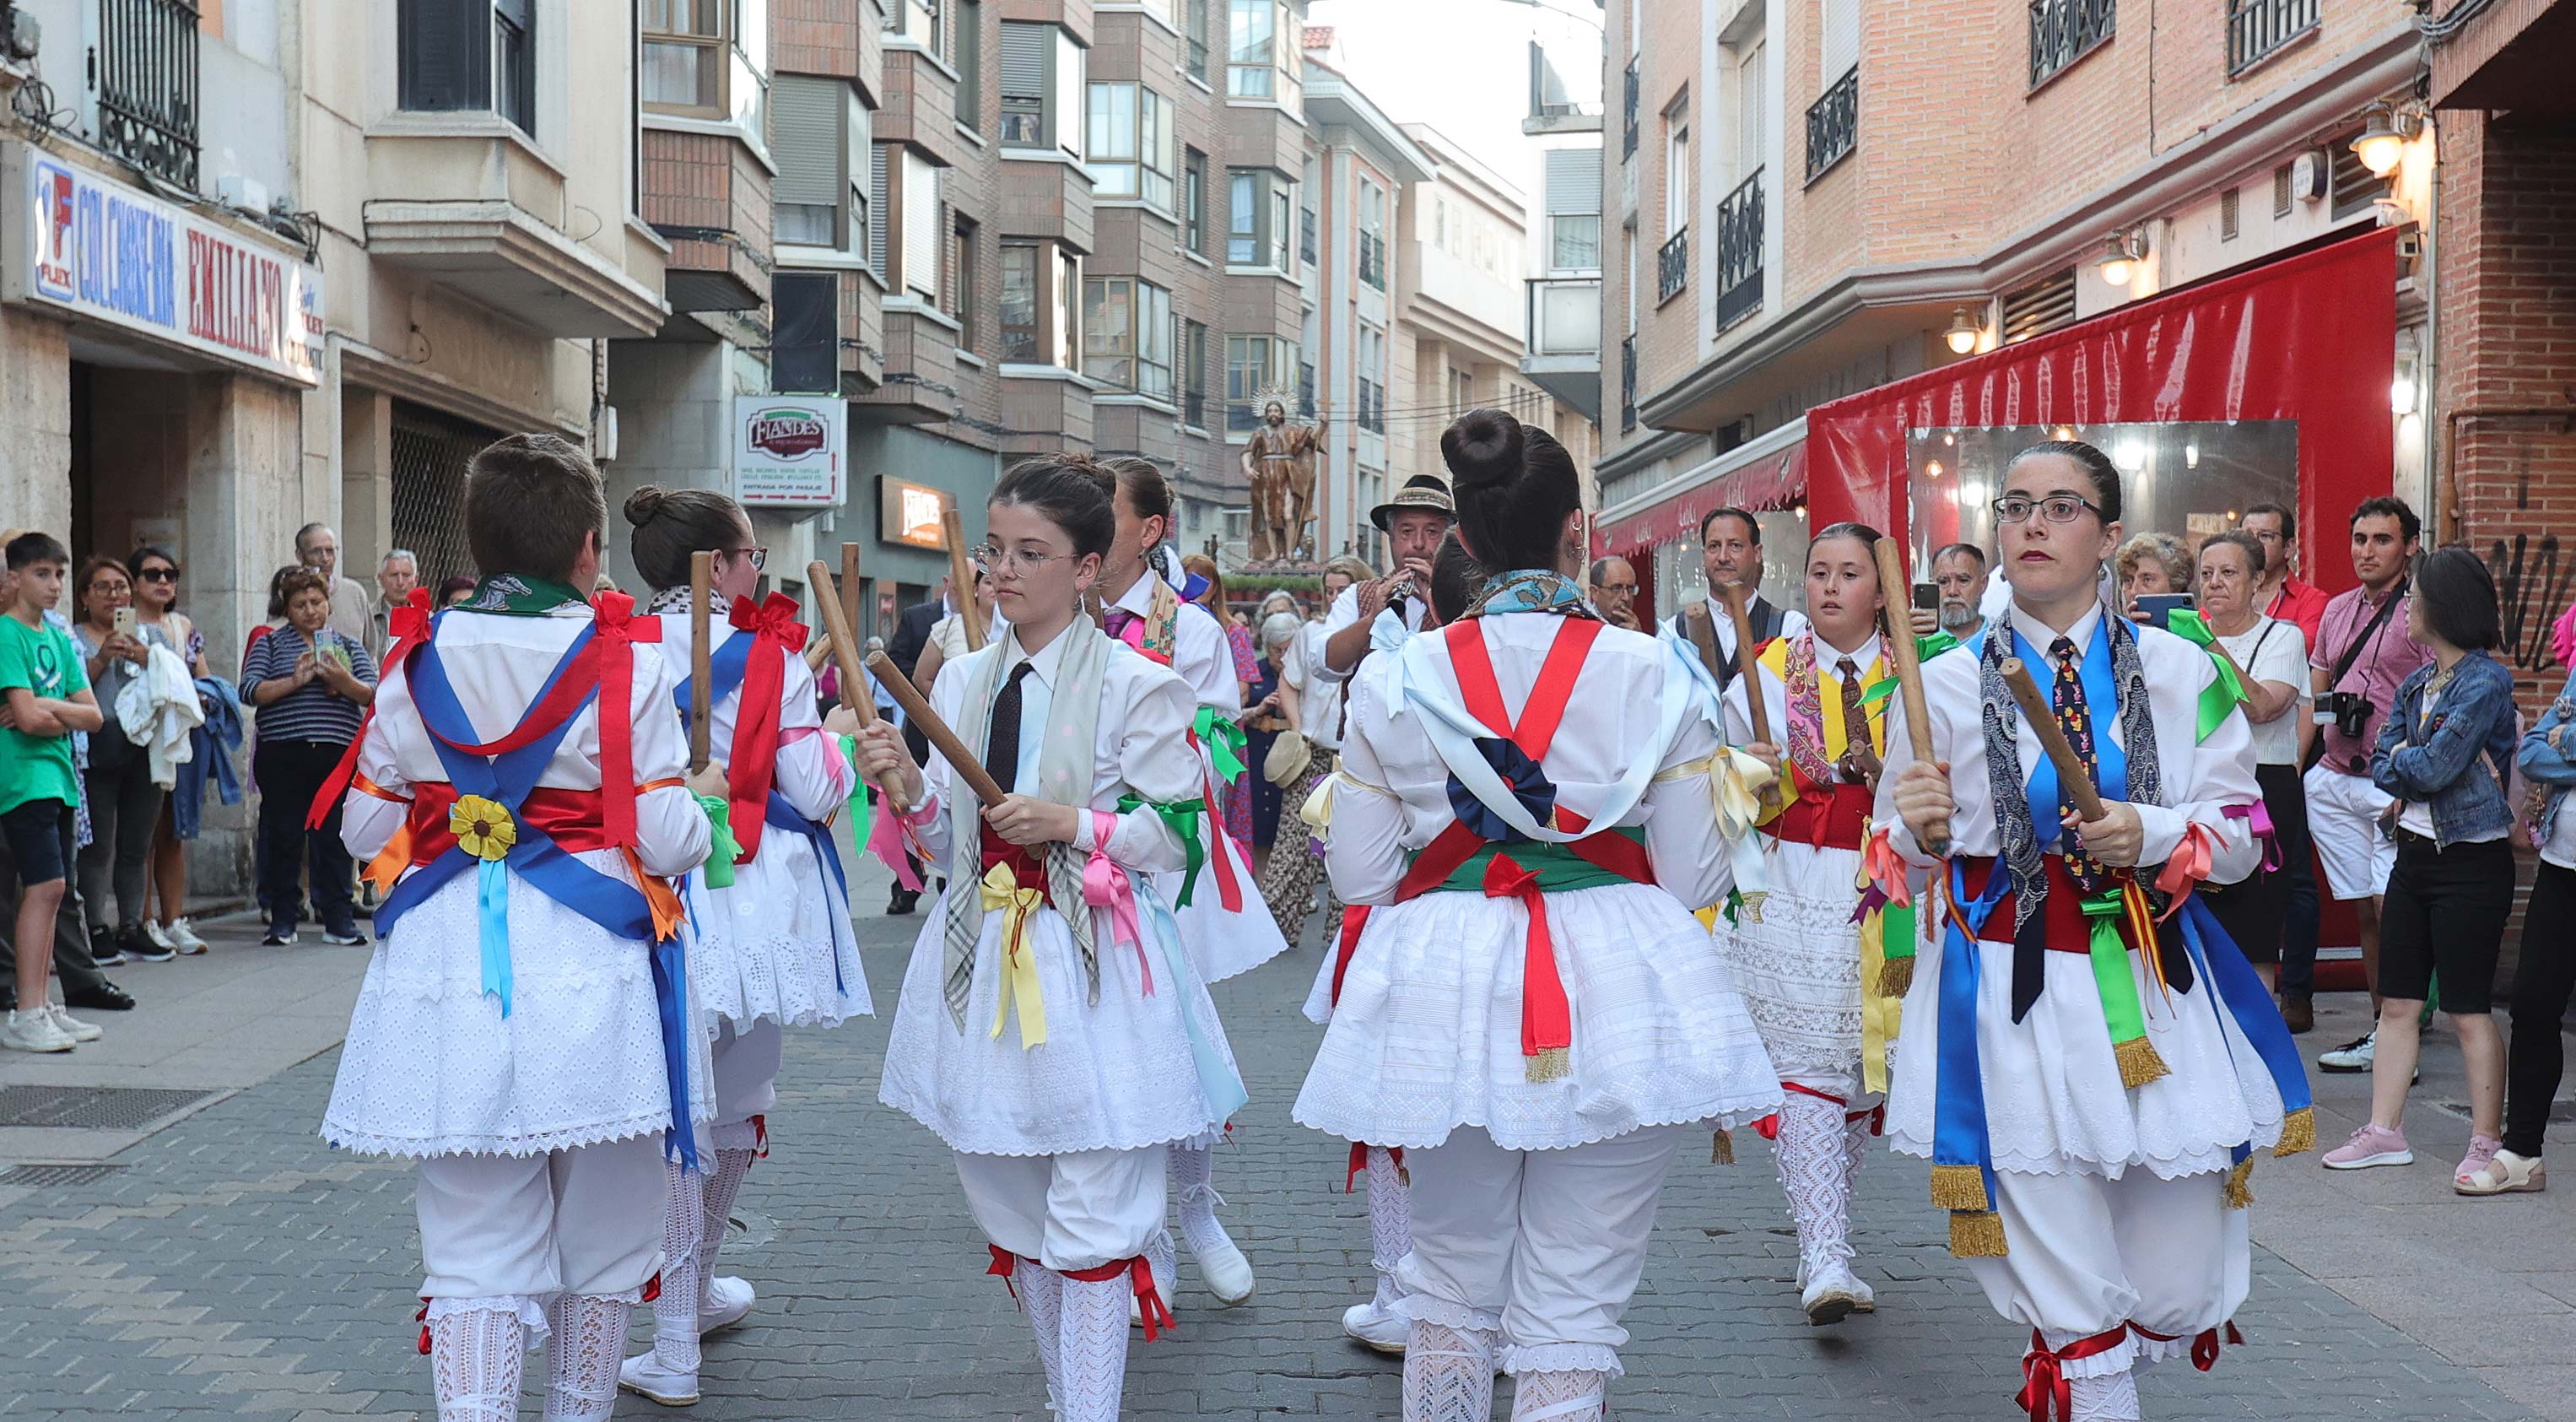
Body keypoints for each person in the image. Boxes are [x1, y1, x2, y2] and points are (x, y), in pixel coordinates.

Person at [1296, 410, 1779, 1419]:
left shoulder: (1394, 675)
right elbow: (1695, 877)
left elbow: (1358, 875)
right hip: (1614, 977)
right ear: (1579, 528)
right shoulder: (1655, 670)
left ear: (1462, 540)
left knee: (1450, 1278)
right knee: (1574, 1300)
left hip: (1443, 978)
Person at [1878, 440, 2306, 1422]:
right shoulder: (1937, 681)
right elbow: (1893, 862)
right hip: (2006, 995)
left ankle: (2082, 1375)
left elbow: (2241, 836)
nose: (2030, 522)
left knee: (2170, 1282)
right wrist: (1911, 824)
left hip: (2154, 987)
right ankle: (2080, 1372)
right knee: (2077, 1308)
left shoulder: (2180, 667)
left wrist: (2149, 831)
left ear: (2107, 535)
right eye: (2013, 504)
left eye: (2060, 506)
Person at [323, 433, 711, 1422]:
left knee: (472, 1245)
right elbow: (667, 839)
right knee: (607, 1234)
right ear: (589, 547)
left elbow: (366, 826)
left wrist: (452, 805)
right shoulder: (622, 659)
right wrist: (700, 807)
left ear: (478, 541)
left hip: (452, 963)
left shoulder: (416, 657)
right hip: (593, 961)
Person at [858, 454, 1244, 1422]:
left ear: (1085, 568)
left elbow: (1172, 835)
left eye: (1031, 552)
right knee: (1013, 1205)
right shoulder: (964, 678)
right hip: (983, 957)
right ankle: (1065, 1393)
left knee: (1096, 1212)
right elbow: (948, 842)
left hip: (1098, 967)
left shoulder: (1136, 682)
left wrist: (1073, 824)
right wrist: (904, 790)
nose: (1002, 570)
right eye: (995, 549)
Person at [618, 486, 869, 1405]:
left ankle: (684, 1313)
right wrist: (842, 741)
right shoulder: (768, 654)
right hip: (749, 891)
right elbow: (809, 781)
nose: (759, 567)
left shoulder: (612, 645)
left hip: (642, 887)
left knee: (676, 1105)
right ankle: (679, 1324)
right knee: (726, 1103)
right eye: (752, 554)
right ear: (719, 566)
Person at [1093, 457, 1283, 1311]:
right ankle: (1146, 1231)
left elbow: (1207, 752)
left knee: (1179, 1034)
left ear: (1148, 530)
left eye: (1104, 511)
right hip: (1080, 859)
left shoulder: (1191, 631)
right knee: (1108, 1044)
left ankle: (1198, 1207)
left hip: (1166, 858)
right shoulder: (1056, 618)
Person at [1715, 522, 1901, 1326]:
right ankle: (1826, 1253)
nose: (1828, 586)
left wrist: (1892, 776)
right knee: (1806, 1064)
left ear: (1879, 589)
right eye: (1818, 572)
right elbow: (1717, 785)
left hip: (1885, 886)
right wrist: (1748, 771)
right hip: (1790, 885)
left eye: (1849, 572)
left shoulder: (1916, 678)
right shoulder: (1762, 671)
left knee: (1861, 1065)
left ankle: (1821, 1234)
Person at [2321, 548, 2520, 1184]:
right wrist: (2413, 755)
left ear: (2441, 607)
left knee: (2466, 1008)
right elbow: (2381, 760)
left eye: (2413, 598)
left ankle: (2486, 1142)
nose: (2405, 607)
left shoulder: (2484, 681)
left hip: (2470, 861)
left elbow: (2431, 766)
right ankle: (2384, 1130)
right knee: (2397, 1005)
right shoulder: (2416, 681)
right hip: (2411, 852)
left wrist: (2412, 756)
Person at [2305, 497, 2432, 1074]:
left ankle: (2401, 1032)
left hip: (2390, 784)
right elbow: (2317, 693)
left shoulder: (2422, 611)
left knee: (2392, 908)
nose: (2366, 550)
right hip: (2333, 779)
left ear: (2408, 545)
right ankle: (2380, 1029)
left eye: (2381, 539)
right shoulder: (2335, 610)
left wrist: (2414, 777)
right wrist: (2294, 770)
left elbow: (2440, 694)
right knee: (2362, 909)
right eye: (2359, 539)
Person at [2190, 533, 2313, 1025]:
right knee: (2201, 923)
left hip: (2266, 787)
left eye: (2228, 573)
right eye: (2206, 574)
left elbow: (2264, 706)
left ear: (2257, 580)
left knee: (2257, 931)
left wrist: (2208, 646)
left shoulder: (2283, 636)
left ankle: (2260, 1050)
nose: (2214, 584)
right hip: (2202, 787)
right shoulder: (2184, 638)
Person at [0, 533, 109, 1052]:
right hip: (23, 778)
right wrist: (55, 711)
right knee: (43, 889)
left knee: (57, 889)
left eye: (59, 574)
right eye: (42, 574)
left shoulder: (60, 640)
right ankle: (25, 1011)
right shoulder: (7, 634)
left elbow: (94, 714)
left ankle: (41, 1003)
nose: (54, 585)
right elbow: (22, 717)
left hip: (61, 776)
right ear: (15, 577)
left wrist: (53, 710)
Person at [240, 569, 377, 947]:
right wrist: (295, 681)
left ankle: (338, 918)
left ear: (328, 605)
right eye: (300, 605)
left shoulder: (347, 646)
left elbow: (373, 692)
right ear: (287, 608)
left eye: (316, 603)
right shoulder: (271, 644)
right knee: (284, 836)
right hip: (284, 752)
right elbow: (249, 690)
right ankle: (283, 919)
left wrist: (341, 681)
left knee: (333, 838)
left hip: (335, 755)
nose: (310, 610)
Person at [2487, 635, 2576, 1194]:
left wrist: (2566, 740)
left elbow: (2554, 746)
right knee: (2533, 1002)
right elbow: (2533, 752)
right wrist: (2560, 739)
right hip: (2563, 867)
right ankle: (2522, 1150)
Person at [67, 557, 176, 965]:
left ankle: (131, 924)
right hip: (98, 743)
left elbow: (173, 683)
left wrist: (148, 658)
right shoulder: (75, 638)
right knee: (97, 845)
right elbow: (70, 691)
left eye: (121, 587)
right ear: (84, 597)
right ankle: (96, 927)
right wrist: (101, 660)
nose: (115, 595)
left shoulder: (150, 635)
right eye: (104, 587)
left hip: (144, 745)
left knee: (137, 843)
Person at [1261, 558, 1370, 945]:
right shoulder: (1312, 633)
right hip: (1314, 752)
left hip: (1358, 760)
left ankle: (1343, 935)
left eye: (1343, 590)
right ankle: (1275, 932)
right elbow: (1288, 682)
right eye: (1329, 591)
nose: (1335, 598)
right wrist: (1297, 727)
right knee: (1294, 844)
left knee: (1349, 850)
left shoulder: (1380, 633)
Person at [129, 544, 214, 957]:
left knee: (174, 830)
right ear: (134, 583)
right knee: (140, 833)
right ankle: (142, 919)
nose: (163, 581)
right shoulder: (122, 624)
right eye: (152, 574)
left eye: (171, 573)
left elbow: (204, 678)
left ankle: (174, 919)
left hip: (178, 733)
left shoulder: (182, 625)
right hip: (138, 736)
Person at [1660, 506, 1811, 692]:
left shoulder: (1790, 628)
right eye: (1714, 546)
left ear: (1757, 553)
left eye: (1735, 546)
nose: (1723, 557)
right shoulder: (1673, 633)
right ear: (1703, 555)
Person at [1320, 475, 1456, 679]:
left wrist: (1442, 602)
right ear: (1391, 538)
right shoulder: (1358, 595)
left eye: (1432, 532)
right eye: (1407, 531)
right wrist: (1371, 619)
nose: (1418, 544)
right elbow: (1326, 667)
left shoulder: (1466, 595)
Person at [1186, 552, 1261, 846]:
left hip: (1219, 727)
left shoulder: (1233, 631)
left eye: (1203, 579)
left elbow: (1243, 688)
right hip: (1183, 727)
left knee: (1225, 803)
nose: (1197, 585)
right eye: (1190, 577)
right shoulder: (1167, 624)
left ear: (1215, 587)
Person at [1246, 611, 1299, 856]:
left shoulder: (1304, 674)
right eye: (1278, 650)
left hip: (1292, 759)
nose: (1283, 657)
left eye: (1289, 650)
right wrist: (1260, 709)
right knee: (1259, 826)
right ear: (1266, 647)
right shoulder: (1254, 673)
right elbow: (1233, 713)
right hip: (1257, 753)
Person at [2240, 503, 2328, 647]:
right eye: (2247, 537)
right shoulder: (2224, 593)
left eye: (2265, 536)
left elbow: (2299, 651)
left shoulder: (2312, 601)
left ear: (2288, 547)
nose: (2253, 544)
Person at [295, 522, 375, 648]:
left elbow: (370, 651)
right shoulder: (290, 595)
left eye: (330, 551)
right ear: (300, 555)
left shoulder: (355, 593)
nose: (325, 558)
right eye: (316, 551)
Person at [1914, 542, 1991, 647]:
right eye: (1943, 582)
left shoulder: (2000, 641)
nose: (1952, 591)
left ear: (1983, 584)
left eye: (1963, 580)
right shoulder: (1922, 642)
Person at [2114, 533, 2193, 621]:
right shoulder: (2108, 632)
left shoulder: (2195, 632)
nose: (2133, 592)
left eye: (2147, 579)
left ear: (2176, 587)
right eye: (2128, 580)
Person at [369, 549, 421, 662]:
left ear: (416, 580)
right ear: (381, 579)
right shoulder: (369, 618)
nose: (400, 582)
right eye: (394, 575)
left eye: (406, 575)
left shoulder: (428, 620)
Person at [1587, 554, 1640, 630]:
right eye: (1616, 588)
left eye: (1630, 589)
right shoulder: (1584, 629)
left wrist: (1639, 638)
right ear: (1595, 593)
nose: (1626, 597)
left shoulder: (1634, 629)